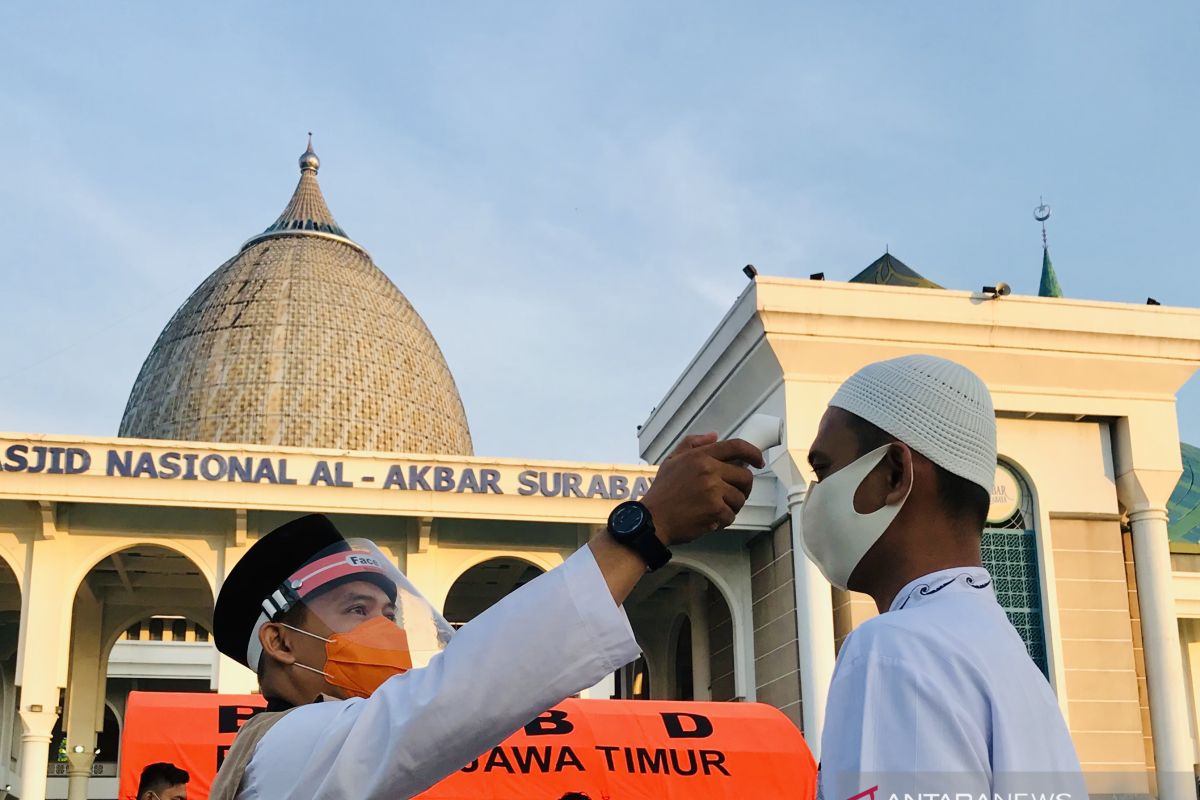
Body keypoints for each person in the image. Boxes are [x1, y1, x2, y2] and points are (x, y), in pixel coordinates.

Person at [209, 434, 761, 800]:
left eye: (389, 611)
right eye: (356, 609)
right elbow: (465, 690)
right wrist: (643, 532)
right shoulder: (290, 747)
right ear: (280, 642)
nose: (387, 631)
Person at [801, 355, 1086, 800]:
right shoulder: (1012, 662)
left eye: (823, 469)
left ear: (895, 473)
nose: (814, 495)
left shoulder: (894, 650)